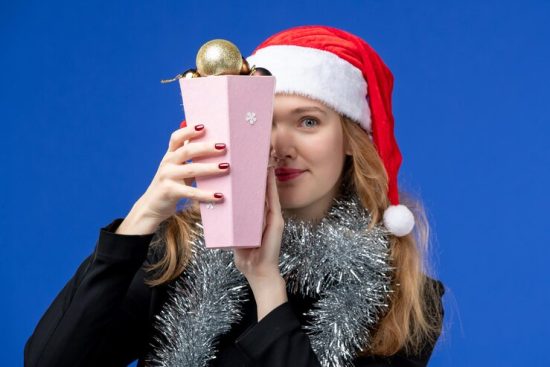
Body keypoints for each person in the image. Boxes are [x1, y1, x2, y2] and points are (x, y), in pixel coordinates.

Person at [24, 25, 444, 367]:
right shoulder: (175, 253)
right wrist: (139, 222)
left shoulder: (405, 295)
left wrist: (266, 284)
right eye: (262, 120)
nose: (280, 145)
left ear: (352, 139)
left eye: (309, 121)